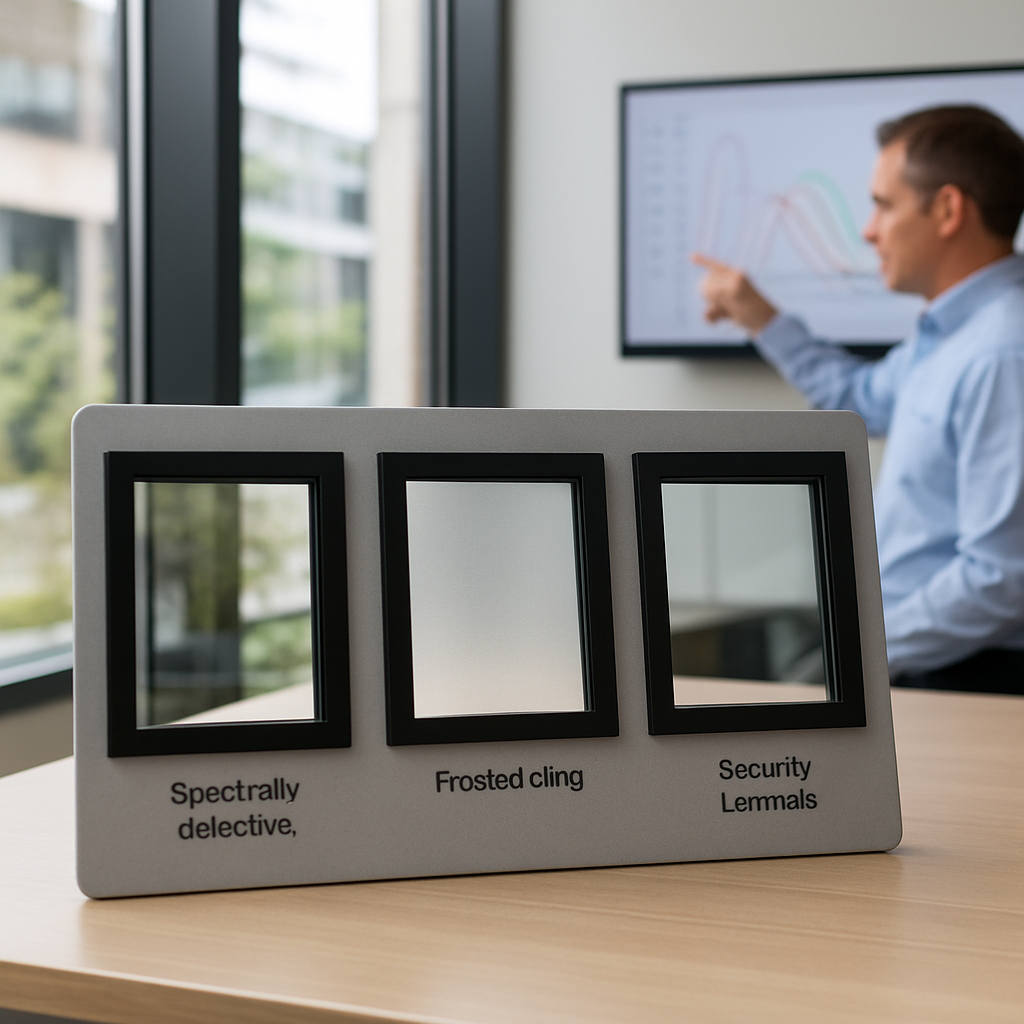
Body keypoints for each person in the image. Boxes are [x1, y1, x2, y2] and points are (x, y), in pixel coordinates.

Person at [694, 105, 1024, 694]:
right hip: (921, 661)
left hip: (968, 677)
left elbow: (1004, 577)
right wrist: (761, 318)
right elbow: (859, 399)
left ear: (948, 209)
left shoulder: (1001, 355)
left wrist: (861, 654)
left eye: (883, 204)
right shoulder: (948, 337)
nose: (868, 230)